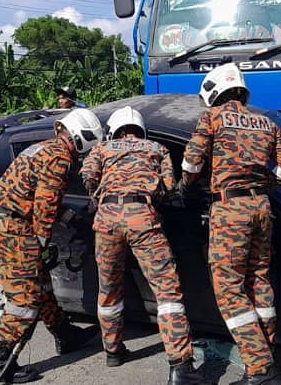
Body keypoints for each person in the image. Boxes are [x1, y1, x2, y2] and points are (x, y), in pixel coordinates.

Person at [181, 63, 281, 385]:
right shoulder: (265, 122)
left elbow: (191, 161)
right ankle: (266, 351)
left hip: (230, 209)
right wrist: (263, 186)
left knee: (229, 288)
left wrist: (186, 185)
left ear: (214, 91)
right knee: (258, 278)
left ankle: (260, 368)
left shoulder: (213, 117)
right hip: (261, 207)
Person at [80, 106, 210, 385]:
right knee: (167, 293)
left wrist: (101, 199)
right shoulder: (157, 148)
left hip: (106, 221)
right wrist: (154, 200)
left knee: (109, 289)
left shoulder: (102, 150)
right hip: (143, 220)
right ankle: (181, 366)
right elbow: (169, 186)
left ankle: (113, 351)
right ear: (141, 129)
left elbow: (87, 177)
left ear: (113, 130)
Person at [0, 108, 104, 383]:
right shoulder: (59, 157)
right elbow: (45, 205)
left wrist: (70, 217)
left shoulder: (44, 149)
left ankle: (65, 334)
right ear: (81, 137)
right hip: (12, 228)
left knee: (41, 284)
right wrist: (43, 240)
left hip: (2, 220)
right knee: (25, 300)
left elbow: (40, 195)